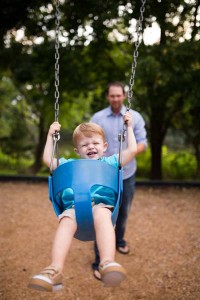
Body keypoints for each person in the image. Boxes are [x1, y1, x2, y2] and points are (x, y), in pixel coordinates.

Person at [28, 112, 137, 292]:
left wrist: (130, 127)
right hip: (74, 208)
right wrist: (50, 136)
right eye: (84, 145)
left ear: (104, 146)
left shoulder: (110, 161)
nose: (90, 147)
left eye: (95, 143)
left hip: (101, 206)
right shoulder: (67, 163)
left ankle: (107, 262)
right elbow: (48, 160)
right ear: (77, 151)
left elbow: (132, 151)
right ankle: (55, 270)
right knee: (65, 221)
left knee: (102, 214)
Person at [90, 81, 147, 280]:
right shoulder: (97, 117)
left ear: (124, 96)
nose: (115, 99)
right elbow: (89, 141)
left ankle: (119, 240)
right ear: (107, 97)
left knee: (123, 213)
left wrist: (128, 154)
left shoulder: (134, 117)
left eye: (118, 95)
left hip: (127, 173)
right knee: (102, 217)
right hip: (103, 176)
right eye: (112, 95)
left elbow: (142, 144)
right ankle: (99, 261)